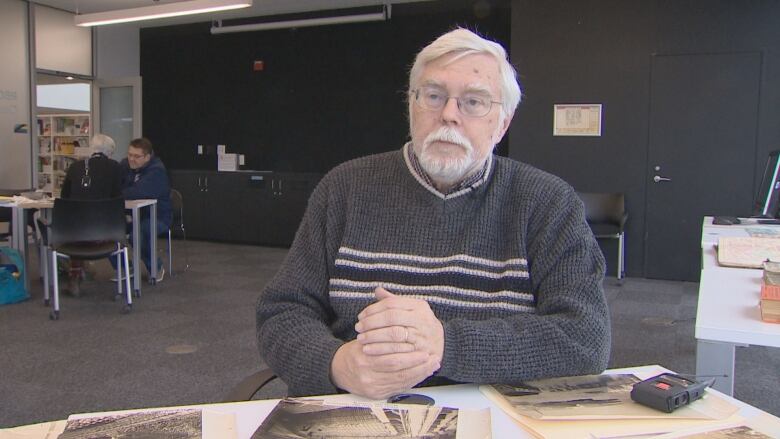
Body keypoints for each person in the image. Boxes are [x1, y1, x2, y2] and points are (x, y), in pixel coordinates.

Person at [256, 28, 611, 400]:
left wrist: (445, 345)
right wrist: (334, 362)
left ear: (503, 123)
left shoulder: (547, 202)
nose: (448, 115)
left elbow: (584, 338)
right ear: (412, 104)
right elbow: (281, 312)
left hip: (490, 419)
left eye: (473, 102)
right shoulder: (344, 189)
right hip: (356, 410)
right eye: (433, 95)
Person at [59, 134, 123, 296]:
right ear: (110, 152)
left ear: (91, 149)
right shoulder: (115, 167)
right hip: (105, 234)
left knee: (78, 226)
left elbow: (64, 197)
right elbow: (118, 197)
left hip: (74, 235)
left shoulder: (75, 167)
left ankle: (75, 274)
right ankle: (125, 272)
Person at [118, 137, 171, 282]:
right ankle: (126, 267)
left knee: (139, 233)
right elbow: (115, 184)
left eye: (136, 156)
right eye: (129, 155)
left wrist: (117, 193)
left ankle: (155, 267)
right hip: (132, 214)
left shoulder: (157, 170)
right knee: (104, 228)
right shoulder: (125, 165)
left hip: (156, 217)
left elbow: (138, 192)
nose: (131, 159)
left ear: (147, 157)